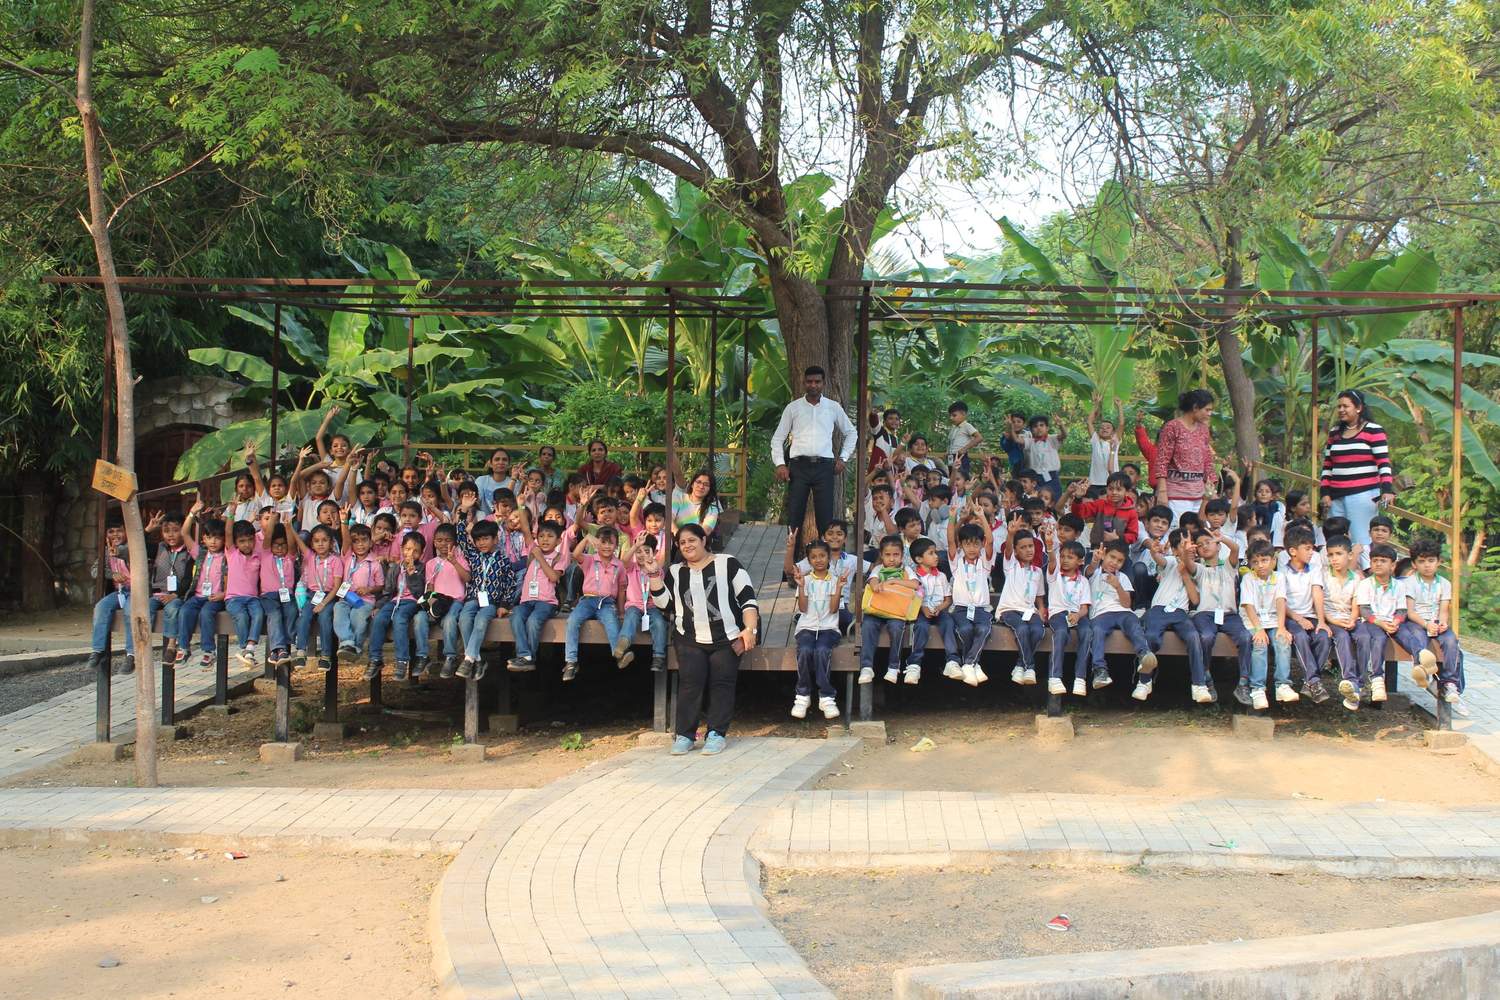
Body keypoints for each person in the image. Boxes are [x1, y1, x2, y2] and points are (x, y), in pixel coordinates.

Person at [646, 524, 759, 757]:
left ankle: (716, 734)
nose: (687, 545)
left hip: (726, 638)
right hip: (689, 638)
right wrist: (653, 575)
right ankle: (685, 735)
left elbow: (748, 599)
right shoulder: (676, 571)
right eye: (682, 542)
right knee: (690, 684)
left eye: (691, 540)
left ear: (703, 540)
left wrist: (750, 629)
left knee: (722, 684)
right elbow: (665, 605)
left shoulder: (728, 563)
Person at [771, 366, 857, 551]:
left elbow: (852, 433)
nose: (813, 385)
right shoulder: (793, 408)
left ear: (823, 383)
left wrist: (843, 458)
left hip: (824, 467)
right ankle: (790, 568)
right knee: (794, 518)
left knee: (825, 519)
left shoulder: (833, 407)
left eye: (817, 382)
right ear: (804, 382)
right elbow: (777, 439)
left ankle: (825, 566)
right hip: (798, 467)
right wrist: (780, 464)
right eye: (809, 381)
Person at [1137, 528, 1206, 703]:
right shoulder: (1170, 562)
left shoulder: (1199, 569)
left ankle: (1199, 685)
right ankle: (1144, 681)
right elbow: (1158, 558)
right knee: (1151, 635)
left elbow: (1195, 599)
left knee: (1193, 636)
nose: (1188, 548)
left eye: (1191, 543)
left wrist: (1185, 571)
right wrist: (1153, 549)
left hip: (1180, 613)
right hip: (1159, 609)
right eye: (1183, 545)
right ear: (1175, 550)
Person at [1319, 389, 1395, 547]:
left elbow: (1384, 463)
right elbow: (1327, 465)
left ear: (1358, 408)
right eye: (1339, 407)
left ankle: (1364, 571)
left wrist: (1387, 490)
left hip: (1363, 494)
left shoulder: (1374, 430)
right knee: (1335, 540)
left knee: (1360, 540)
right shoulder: (1334, 433)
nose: (1341, 410)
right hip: (1335, 496)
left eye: (1345, 406)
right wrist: (1325, 492)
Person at [1399, 536, 1465, 709]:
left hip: (1435, 620)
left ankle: (1450, 683)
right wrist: (1426, 624)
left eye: (1431, 560)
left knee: (1451, 640)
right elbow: (1411, 612)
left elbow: (1444, 609)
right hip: (1417, 621)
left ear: (1438, 562)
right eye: (1421, 561)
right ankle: (1421, 670)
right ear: (1414, 564)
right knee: (1418, 636)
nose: (1427, 565)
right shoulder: (1410, 583)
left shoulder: (1444, 584)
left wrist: (1442, 623)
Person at [1087, 539, 1154, 690]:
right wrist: (1095, 561)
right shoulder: (1095, 573)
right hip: (1101, 614)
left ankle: (1144, 654)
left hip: (1122, 612)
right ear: (1104, 555)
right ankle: (1099, 670)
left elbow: (1126, 604)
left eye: (1120, 561)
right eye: (1112, 557)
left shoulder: (1122, 577)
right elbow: (1089, 570)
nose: (1115, 562)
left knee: (1133, 625)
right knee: (1097, 632)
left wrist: (1118, 586)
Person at [789, 540, 845, 719]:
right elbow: (803, 609)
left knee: (822, 650)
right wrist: (801, 586)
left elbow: (834, 609)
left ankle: (827, 696)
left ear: (829, 557)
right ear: (809, 560)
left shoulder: (836, 580)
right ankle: (802, 695)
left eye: (822, 556)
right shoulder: (805, 580)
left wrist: (838, 589)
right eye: (813, 557)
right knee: (805, 650)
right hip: (807, 627)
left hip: (829, 628)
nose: (818, 560)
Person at [455, 515, 515, 680]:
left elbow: (510, 584)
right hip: (473, 598)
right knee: (464, 619)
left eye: (485, 538)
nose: (481, 543)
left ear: (495, 539)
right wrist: (462, 514)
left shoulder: (503, 560)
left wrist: (504, 604)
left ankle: (468, 659)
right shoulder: (473, 555)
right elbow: (460, 537)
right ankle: (478, 659)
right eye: (478, 539)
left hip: (491, 602)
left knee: (481, 621)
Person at [564, 525, 627, 681]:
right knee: (572, 621)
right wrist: (586, 539)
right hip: (588, 600)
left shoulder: (619, 565)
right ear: (597, 543)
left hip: (607, 602)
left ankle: (619, 656)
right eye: (603, 542)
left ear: (616, 545)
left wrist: (621, 612)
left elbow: (621, 589)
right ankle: (571, 661)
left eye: (610, 543)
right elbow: (575, 555)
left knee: (612, 623)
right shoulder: (590, 560)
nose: (606, 546)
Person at [1240, 540, 1297, 709]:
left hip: (1273, 620)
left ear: (1273, 560)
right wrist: (1258, 630)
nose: (1260, 565)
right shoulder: (1248, 579)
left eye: (1264, 560)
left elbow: (1280, 602)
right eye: (1255, 562)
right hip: (1253, 621)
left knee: (1282, 640)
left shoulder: (1279, 577)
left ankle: (1282, 685)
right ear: (1250, 564)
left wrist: (1281, 627)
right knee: (1260, 644)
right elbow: (1248, 606)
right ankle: (1257, 689)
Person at [1281, 524, 1332, 703]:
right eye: (1308, 548)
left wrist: (1321, 620)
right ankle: (1314, 681)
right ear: (1293, 551)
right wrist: (1298, 618)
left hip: (1311, 615)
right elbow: (1281, 602)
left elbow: (1317, 592)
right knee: (1301, 637)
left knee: (1324, 636)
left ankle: (1309, 682)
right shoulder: (1282, 573)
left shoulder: (1314, 569)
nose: (1312, 552)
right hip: (1290, 616)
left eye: (1313, 548)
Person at [508, 521, 567, 673]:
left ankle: (529, 657)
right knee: (515, 616)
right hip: (527, 600)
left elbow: (554, 577)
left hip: (546, 602)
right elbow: (526, 530)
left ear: (559, 540)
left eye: (550, 536)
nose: (545, 539)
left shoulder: (558, 557)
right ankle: (525, 656)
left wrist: (540, 558)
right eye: (541, 536)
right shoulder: (532, 552)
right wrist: (521, 506)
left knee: (533, 621)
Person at [860, 535, 918, 685]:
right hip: (877, 609)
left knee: (897, 627)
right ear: (881, 555)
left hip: (896, 610)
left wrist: (894, 581)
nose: (892, 559)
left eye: (896, 555)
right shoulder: (879, 569)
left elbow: (915, 585)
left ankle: (894, 666)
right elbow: (872, 580)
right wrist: (875, 585)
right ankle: (866, 666)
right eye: (887, 555)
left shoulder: (907, 570)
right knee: (868, 625)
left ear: (902, 555)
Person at [947, 510, 997, 687]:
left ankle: (968, 663)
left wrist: (982, 516)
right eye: (967, 544)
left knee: (984, 629)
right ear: (961, 545)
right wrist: (953, 517)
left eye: (976, 544)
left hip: (981, 609)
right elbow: (950, 540)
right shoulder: (956, 561)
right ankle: (973, 665)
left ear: (981, 545)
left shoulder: (984, 562)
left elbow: (990, 541)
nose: (972, 548)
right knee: (965, 630)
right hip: (961, 608)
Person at [1043, 526, 1093, 697]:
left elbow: (1085, 607)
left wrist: (1078, 615)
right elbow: (1051, 561)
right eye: (1062, 556)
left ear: (1080, 561)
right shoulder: (1055, 575)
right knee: (1061, 632)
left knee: (1086, 631)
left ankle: (1080, 678)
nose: (1065, 560)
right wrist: (1050, 547)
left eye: (1070, 557)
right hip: (1058, 612)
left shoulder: (1084, 581)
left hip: (1077, 614)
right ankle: (1054, 677)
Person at [1154, 389, 1216, 525]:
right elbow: (1162, 460)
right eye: (1207, 409)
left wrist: (1212, 489)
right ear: (1195, 407)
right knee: (1178, 534)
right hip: (1176, 495)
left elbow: (1207, 460)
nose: (1209, 414)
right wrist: (1163, 491)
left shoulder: (1204, 430)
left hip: (1200, 495)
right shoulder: (1172, 427)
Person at [997, 520, 1045, 687]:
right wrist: (1010, 534)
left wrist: (1041, 608)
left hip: (1029, 610)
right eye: (1023, 547)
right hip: (1009, 609)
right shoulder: (1011, 565)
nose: (1028, 550)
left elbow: (1039, 595)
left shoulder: (1038, 571)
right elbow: (1008, 549)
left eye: (1030, 546)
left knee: (1038, 630)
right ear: (1016, 551)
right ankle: (1029, 667)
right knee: (1022, 629)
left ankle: (1019, 665)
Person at [906, 538, 955, 685]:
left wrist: (940, 607)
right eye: (931, 553)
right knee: (921, 626)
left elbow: (948, 599)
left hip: (939, 611)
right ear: (919, 559)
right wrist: (923, 608)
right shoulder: (914, 575)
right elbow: (912, 597)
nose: (936, 556)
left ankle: (952, 661)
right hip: (921, 610)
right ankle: (914, 664)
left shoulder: (941, 576)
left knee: (948, 623)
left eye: (935, 553)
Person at [1086, 396, 1124, 496]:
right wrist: (1096, 404)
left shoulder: (1115, 440)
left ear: (1113, 432)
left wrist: (1119, 406)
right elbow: (1089, 422)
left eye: (1108, 427)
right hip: (1094, 482)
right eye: (1102, 427)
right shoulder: (1095, 440)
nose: (1104, 429)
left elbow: (1121, 423)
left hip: (1111, 482)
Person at [671, 469, 722, 535]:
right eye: (698, 482)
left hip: (698, 542)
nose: (701, 487)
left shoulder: (713, 506)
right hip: (675, 539)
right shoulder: (679, 497)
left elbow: (706, 530)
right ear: (692, 484)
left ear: (710, 489)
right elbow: (669, 518)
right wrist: (678, 535)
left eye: (706, 484)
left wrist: (689, 540)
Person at [946, 401, 983, 478]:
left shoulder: (967, 426)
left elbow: (979, 438)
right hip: (951, 457)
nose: (951, 418)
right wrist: (947, 452)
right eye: (950, 416)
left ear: (963, 414)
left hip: (960, 457)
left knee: (961, 477)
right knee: (951, 476)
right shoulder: (953, 428)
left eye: (954, 415)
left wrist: (964, 449)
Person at [475, 447, 518, 513]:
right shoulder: (481, 481)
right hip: (484, 521)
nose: (501, 462)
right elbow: (476, 503)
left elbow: (517, 506)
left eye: (504, 460)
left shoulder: (516, 482)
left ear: (509, 465)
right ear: (490, 464)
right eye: (497, 459)